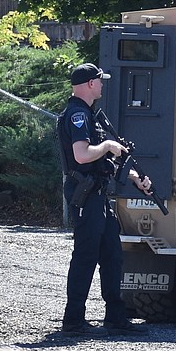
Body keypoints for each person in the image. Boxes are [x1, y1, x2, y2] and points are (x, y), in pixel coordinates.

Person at [56, 63, 149, 336]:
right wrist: (108, 145)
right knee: (85, 256)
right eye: (99, 80)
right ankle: (73, 321)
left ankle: (115, 317)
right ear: (88, 84)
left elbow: (101, 161)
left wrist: (133, 176)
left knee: (112, 254)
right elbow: (82, 156)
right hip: (86, 196)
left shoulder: (88, 114)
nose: (102, 84)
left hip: (97, 195)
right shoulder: (77, 115)